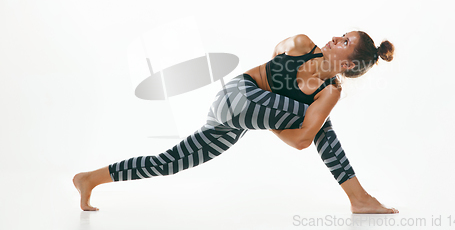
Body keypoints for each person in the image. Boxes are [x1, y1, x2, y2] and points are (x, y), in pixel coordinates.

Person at [73, 31, 398, 214]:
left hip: (240, 120)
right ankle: (358, 197)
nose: (334, 37)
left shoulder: (329, 93)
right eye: (340, 34)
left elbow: (301, 142)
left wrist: (266, 119)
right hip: (237, 95)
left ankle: (90, 179)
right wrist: (275, 117)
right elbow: (275, 61)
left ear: (350, 64)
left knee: (170, 162)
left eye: (343, 42)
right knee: (321, 127)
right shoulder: (302, 44)